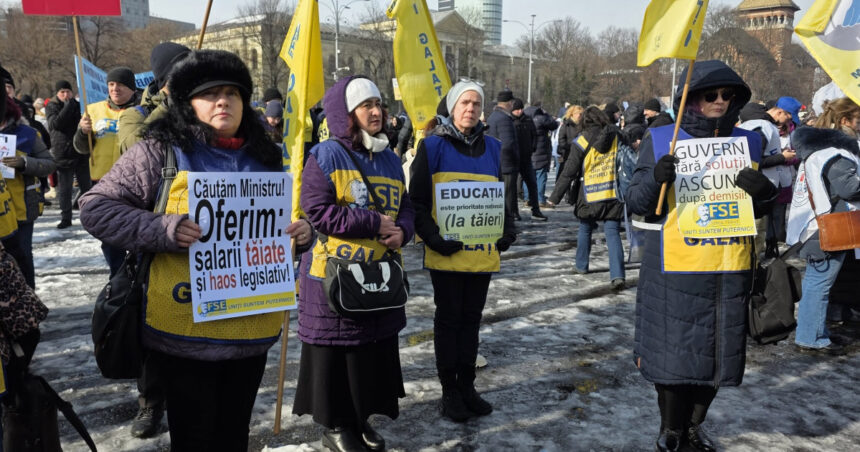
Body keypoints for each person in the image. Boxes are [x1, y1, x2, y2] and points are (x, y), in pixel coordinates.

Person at [79, 50, 314, 451]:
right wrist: (162, 228)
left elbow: (277, 228)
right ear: (188, 104)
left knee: (233, 436)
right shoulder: (159, 152)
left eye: (232, 94)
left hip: (251, 330)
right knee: (195, 440)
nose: (223, 101)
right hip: (184, 335)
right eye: (210, 94)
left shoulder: (267, 157)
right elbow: (95, 208)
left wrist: (301, 234)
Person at [626, 60, 776, 451]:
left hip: (729, 267)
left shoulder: (750, 142)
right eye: (711, 94)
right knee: (674, 358)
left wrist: (764, 192)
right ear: (690, 98)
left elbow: (756, 209)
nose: (720, 101)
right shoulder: (662, 139)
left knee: (718, 357)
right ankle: (671, 431)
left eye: (728, 95)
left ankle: (694, 426)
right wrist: (657, 179)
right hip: (677, 266)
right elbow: (639, 203)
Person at [292, 75, 415, 452]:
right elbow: (317, 211)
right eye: (366, 106)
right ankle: (336, 425)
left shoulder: (390, 157)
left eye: (379, 104)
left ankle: (361, 418)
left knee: (369, 352)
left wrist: (403, 232)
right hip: (333, 277)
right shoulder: (326, 155)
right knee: (338, 353)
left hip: (377, 276)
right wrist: (373, 222)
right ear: (346, 114)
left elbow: (406, 207)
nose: (376, 112)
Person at [409, 80, 516, 423]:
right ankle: (449, 391)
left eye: (475, 103)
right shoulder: (434, 146)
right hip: (447, 254)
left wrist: (507, 230)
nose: (470, 109)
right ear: (452, 108)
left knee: (472, 321)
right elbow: (418, 203)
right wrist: (432, 238)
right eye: (464, 103)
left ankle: (467, 386)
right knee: (449, 319)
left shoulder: (494, 148)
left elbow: (504, 199)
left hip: (481, 255)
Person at [111, 41, 190, 440]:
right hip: (154, 241)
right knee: (152, 325)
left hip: (203, 246)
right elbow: (133, 146)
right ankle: (150, 402)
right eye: (179, 74)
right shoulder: (135, 115)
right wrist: (168, 104)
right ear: (162, 82)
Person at [786, 97, 860, 355]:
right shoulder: (837, 154)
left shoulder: (820, 150)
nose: (859, 126)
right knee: (819, 283)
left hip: (815, 225)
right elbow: (849, 188)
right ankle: (811, 337)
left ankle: (814, 333)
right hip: (827, 227)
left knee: (817, 282)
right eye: (857, 121)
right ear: (844, 121)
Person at [546, 106, 629, 289]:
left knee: (585, 229)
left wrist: (554, 198)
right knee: (613, 232)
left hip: (589, 193)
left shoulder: (582, 140)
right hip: (613, 192)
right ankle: (617, 275)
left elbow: (569, 171)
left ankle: (581, 265)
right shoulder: (617, 136)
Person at [74, 66, 140, 277]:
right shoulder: (92, 110)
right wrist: (82, 132)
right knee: (110, 235)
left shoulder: (142, 110)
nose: (115, 89)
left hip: (136, 182)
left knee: (136, 232)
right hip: (102, 182)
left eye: (120, 84)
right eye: (111, 84)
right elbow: (81, 148)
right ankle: (118, 278)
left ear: (131, 88)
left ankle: (140, 276)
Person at [0, 88, 56, 289]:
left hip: (21, 209)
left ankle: (28, 305)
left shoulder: (28, 133)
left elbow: (49, 165)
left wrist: (24, 163)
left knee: (21, 258)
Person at [46, 80, 89, 229]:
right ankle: (66, 217)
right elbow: (56, 124)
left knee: (86, 187)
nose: (66, 95)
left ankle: (89, 215)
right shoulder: (52, 106)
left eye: (68, 91)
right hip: (63, 152)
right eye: (62, 92)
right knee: (65, 189)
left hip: (81, 151)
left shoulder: (78, 106)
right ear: (57, 94)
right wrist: (67, 106)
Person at [486, 90, 526, 220]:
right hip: (506, 165)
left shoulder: (493, 116)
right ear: (510, 103)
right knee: (508, 195)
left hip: (496, 162)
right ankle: (508, 222)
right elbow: (508, 144)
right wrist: (515, 160)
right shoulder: (504, 119)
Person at [511, 98, 546, 219]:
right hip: (513, 158)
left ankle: (535, 210)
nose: (519, 111)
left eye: (521, 109)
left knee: (532, 184)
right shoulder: (509, 121)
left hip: (526, 157)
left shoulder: (528, 120)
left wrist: (533, 148)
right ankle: (514, 211)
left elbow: (534, 135)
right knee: (513, 186)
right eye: (517, 109)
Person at [524, 102, 558, 211]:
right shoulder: (541, 118)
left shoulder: (524, 118)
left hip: (528, 151)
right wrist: (546, 114)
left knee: (527, 176)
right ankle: (539, 199)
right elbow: (554, 125)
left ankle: (528, 198)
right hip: (541, 152)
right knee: (541, 176)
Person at [556, 105, 584, 179]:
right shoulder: (566, 125)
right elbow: (561, 141)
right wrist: (571, 147)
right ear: (572, 114)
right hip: (567, 155)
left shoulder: (583, 125)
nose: (579, 115)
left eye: (581, 114)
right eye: (577, 113)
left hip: (580, 154)